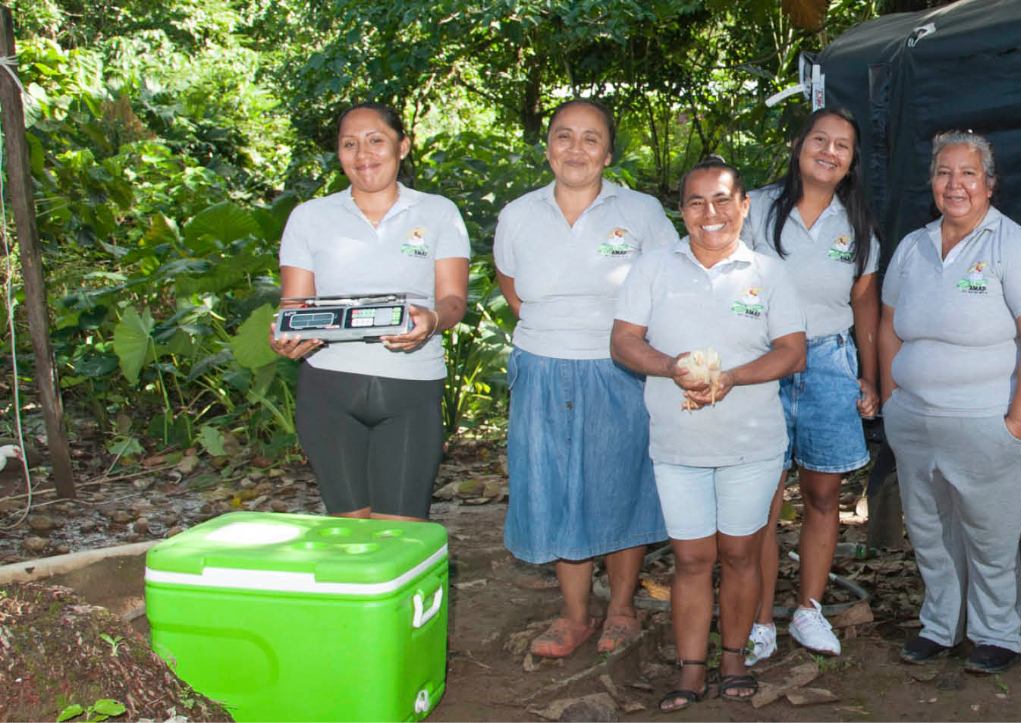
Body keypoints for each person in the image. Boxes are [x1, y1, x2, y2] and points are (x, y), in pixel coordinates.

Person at [610, 157, 806, 712]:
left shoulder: (768, 272)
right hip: (677, 444)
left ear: (744, 206)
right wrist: (672, 365)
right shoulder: (653, 268)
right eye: (696, 202)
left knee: (741, 554)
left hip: (751, 441)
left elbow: (793, 351)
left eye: (722, 200)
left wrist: (732, 379)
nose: (710, 213)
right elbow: (623, 341)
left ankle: (734, 657)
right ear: (682, 211)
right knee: (692, 558)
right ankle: (690, 666)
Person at [496, 99, 678, 658]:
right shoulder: (518, 214)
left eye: (590, 139)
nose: (576, 149)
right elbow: (511, 286)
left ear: (609, 152)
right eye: (564, 136)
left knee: (620, 484)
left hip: (619, 370)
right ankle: (574, 615)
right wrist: (556, 338)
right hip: (543, 368)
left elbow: (670, 282)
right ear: (547, 146)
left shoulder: (642, 211)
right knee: (554, 488)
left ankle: (621, 609)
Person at [878, 131, 1021, 675]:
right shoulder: (912, 247)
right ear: (932, 182)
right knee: (931, 529)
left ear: (989, 184)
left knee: (990, 533)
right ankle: (940, 625)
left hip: (986, 419)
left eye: (968, 173)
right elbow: (889, 328)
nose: (954, 184)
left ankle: (997, 633)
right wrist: (893, 397)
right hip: (913, 420)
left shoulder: (1013, 246)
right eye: (943, 172)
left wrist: (1019, 421)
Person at [272, 102, 469, 521]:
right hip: (327, 389)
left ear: (403, 146)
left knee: (399, 535)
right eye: (350, 144)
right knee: (349, 536)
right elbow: (295, 304)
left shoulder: (438, 213)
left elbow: (453, 300)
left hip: (412, 389)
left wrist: (432, 319)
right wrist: (286, 334)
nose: (363, 154)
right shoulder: (310, 217)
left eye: (376, 140)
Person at [741, 108, 882, 663]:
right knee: (763, 500)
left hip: (829, 362)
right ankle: (757, 619)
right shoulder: (755, 208)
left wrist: (869, 375)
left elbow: (864, 301)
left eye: (842, 146)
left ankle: (808, 610)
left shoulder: (859, 220)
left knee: (824, 496)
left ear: (851, 162)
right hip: (764, 364)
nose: (829, 151)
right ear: (799, 146)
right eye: (819, 140)